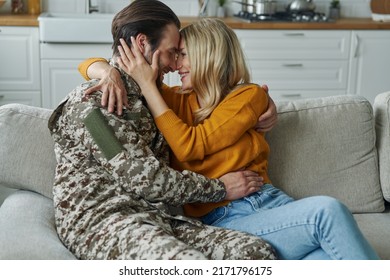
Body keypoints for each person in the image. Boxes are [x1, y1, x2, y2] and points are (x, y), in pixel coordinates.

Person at [86, 17, 380, 260]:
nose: (175, 65)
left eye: (183, 54)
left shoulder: (248, 95)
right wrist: (109, 71)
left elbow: (192, 145)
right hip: (225, 218)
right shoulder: (171, 100)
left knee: (329, 258)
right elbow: (87, 63)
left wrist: (150, 88)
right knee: (327, 211)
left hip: (270, 206)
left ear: (208, 56)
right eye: (175, 55)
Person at [47, 0, 277, 260]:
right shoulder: (95, 102)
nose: (175, 64)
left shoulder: (154, 98)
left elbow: (220, 103)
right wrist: (220, 189)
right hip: (103, 223)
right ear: (143, 43)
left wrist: (264, 103)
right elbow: (147, 180)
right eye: (171, 52)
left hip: (157, 219)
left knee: (255, 252)